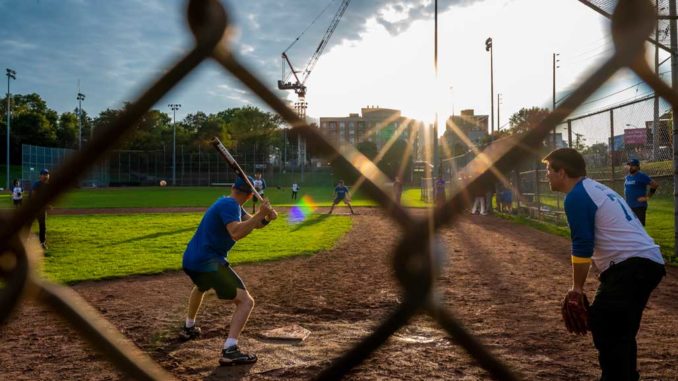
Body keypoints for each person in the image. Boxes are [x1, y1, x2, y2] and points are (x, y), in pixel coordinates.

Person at [542, 148, 665, 381]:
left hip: (631, 266)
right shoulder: (593, 187)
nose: (546, 174)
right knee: (618, 332)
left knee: (608, 328)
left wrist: (576, 288)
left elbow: (583, 244)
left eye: (549, 169)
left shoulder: (577, 195)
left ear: (562, 172)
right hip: (643, 263)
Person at [180, 176, 277, 366]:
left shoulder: (228, 203)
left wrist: (265, 218)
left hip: (192, 260)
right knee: (246, 302)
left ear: (233, 187)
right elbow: (236, 232)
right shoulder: (229, 205)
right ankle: (230, 349)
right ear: (250, 196)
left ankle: (189, 326)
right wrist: (260, 214)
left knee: (201, 287)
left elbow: (253, 224)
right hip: (208, 261)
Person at [624, 159, 658, 226]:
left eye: (632, 165)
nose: (630, 167)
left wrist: (647, 197)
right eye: (629, 165)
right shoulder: (627, 177)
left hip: (639, 207)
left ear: (637, 167)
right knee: (631, 228)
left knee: (639, 228)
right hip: (629, 206)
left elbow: (654, 185)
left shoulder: (641, 176)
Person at [32, 169, 50, 249]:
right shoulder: (37, 184)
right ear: (40, 176)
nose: (46, 176)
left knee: (43, 226)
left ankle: (42, 243)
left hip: (42, 209)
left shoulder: (48, 185)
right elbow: (33, 195)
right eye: (44, 174)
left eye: (47, 174)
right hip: (33, 208)